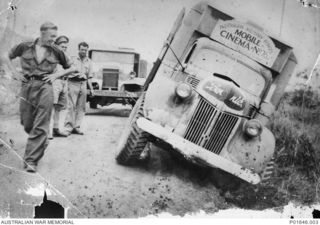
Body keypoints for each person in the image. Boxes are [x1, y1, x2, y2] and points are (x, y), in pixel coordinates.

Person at [6, 22, 71, 172]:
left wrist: (57, 74)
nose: (53, 39)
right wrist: (14, 73)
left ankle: (31, 160)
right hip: (27, 86)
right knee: (27, 122)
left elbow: (71, 66)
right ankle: (41, 142)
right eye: (51, 36)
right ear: (42, 34)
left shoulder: (56, 51)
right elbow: (6, 56)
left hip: (45, 87)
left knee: (42, 123)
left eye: (55, 36)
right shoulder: (24, 46)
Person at [64, 42, 94, 135]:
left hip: (83, 84)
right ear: (78, 49)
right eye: (82, 49)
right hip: (73, 83)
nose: (84, 51)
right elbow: (66, 71)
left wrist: (92, 89)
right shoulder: (72, 59)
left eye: (85, 50)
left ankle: (76, 127)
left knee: (81, 107)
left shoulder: (89, 62)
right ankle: (68, 127)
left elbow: (89, 77)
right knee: (71, 106)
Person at [49, 35, 72, 139]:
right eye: (62, 46)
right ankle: (48, 132)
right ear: (56, 46)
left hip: (64, 82)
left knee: (62, 107)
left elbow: (71, 69)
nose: (64, 48)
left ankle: (57, 129)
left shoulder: (66, 57)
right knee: (51, 107)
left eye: (66, 47)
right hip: (55, 82)